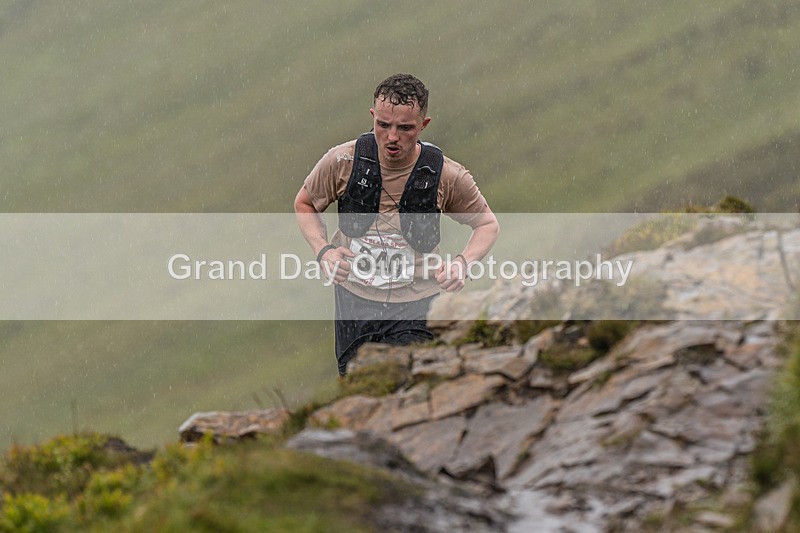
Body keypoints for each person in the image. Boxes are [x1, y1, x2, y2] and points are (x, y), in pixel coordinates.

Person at [294, 73, 499, 376]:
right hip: (354, 302)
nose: (392, 137)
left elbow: (487, 225)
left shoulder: (444, 174)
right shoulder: (343, 162)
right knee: (358, 386)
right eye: (383, 125)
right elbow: (305, 203)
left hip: (417, 303)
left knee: (409, 382)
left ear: (423, 125)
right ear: (373, 116)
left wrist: (461, 264)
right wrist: (324, 251)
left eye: (405, 128)